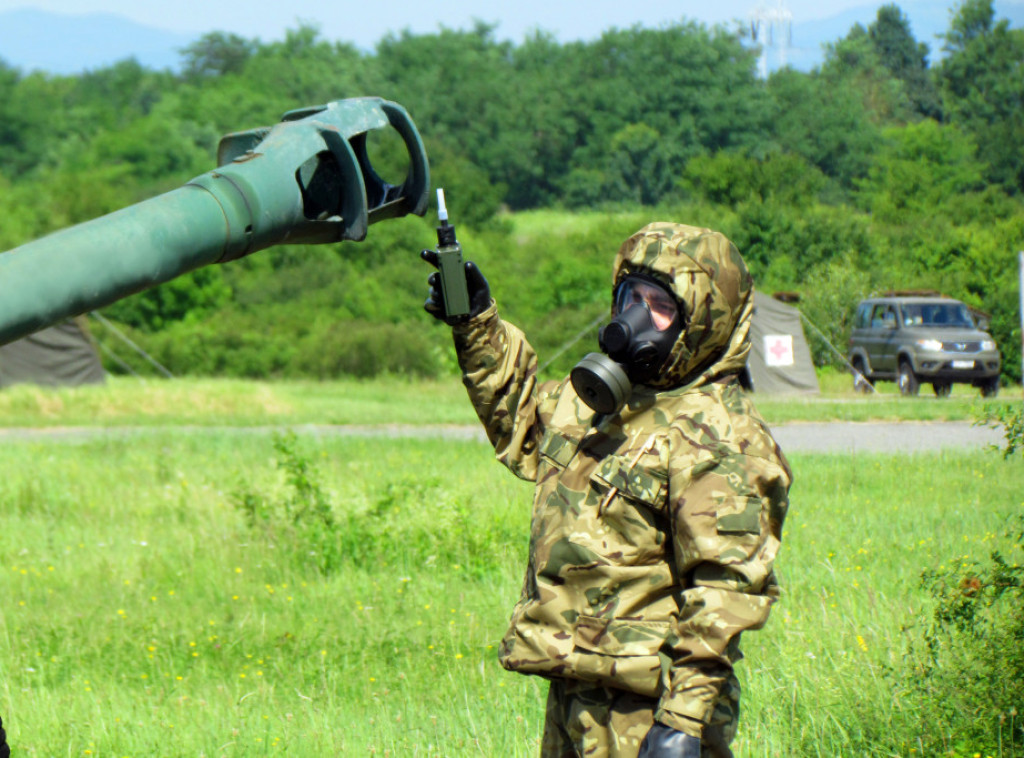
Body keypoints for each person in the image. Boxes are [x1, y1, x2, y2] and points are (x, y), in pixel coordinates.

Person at [422, 222, 791, 758]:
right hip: (576, 680)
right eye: (630, 297)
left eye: (659, 306)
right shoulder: (602, 400)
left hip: (649, 703)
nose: (634, 319)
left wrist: (684, 723)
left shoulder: (722, 438)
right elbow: (522, 422)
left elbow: (725, 594)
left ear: (704, 321)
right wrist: (477, 322)